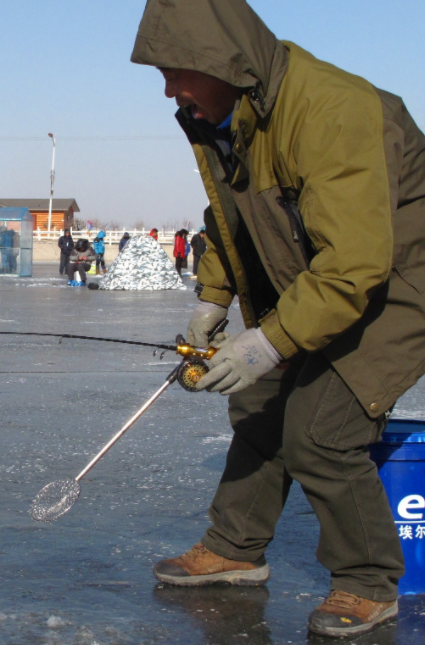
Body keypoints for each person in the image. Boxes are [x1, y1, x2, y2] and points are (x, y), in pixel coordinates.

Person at [131, 0, 425, 637]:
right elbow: (231, 219)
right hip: (321, 276)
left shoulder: (331, 110)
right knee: (260, 406)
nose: (169, 89)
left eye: (177, 72)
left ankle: (368, 582)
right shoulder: (223, 116)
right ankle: (234, 548)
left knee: (321, 429)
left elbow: (356, 262)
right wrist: (213, 298)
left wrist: (266, 342)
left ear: (223, 61)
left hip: (398, 280)